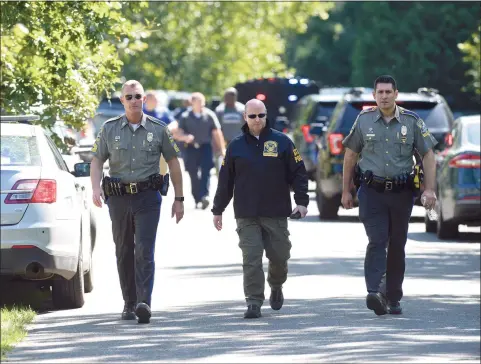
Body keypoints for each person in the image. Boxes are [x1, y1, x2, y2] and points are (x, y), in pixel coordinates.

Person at [341, 75, 438, 316]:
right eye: (379, 92)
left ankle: (393, 296)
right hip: (371, 192)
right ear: (374, 95)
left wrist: (429, 188)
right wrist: (346, 190)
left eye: (388, 92)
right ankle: (375, 291)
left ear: (396, 94)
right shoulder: (363, 121)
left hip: (401, 193)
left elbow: (428, 155)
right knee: (377, 240)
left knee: (397, 245)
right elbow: (350, 156)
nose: (384, 96)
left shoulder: (411, 121)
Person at [90, 80, 185, 324]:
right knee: (123, 251)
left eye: (138, 96)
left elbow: (173, 162)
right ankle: (129, 303)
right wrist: (95, 189)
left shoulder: (159, 129)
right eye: (129, 97)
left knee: (144, 250)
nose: (133, 100)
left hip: (147, 197)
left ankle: (144, 302)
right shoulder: (109, 129)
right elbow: (97, 160)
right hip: (119, 198)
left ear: (145, 99)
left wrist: (179, 198)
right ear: (122, 101)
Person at [211, 99, 309, 319]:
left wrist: (302, 202)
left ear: (267, 116)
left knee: (280, 256)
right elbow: (225, 181)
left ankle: (276, 285)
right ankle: (254, 302)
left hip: (275, 212)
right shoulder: (235, 146)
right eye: (252, 116)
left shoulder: (282, 142)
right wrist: (218, 210)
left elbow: (299, 173)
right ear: (245, 117)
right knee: (251, 258)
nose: (257, 120)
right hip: (246, 213)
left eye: (261, 115)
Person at [173, 92, 225, 209]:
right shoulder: (185, 116)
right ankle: (197, 197)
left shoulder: (210, 115)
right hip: (190, 148)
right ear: (192, 103)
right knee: (193, 173)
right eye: (197, 102)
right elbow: (178, 133)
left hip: (206, 146)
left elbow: (217, 132)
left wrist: (222, 149)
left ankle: (205, 196)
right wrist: (185, 137)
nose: (200, 104)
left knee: (206, 171)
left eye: (201, 102)